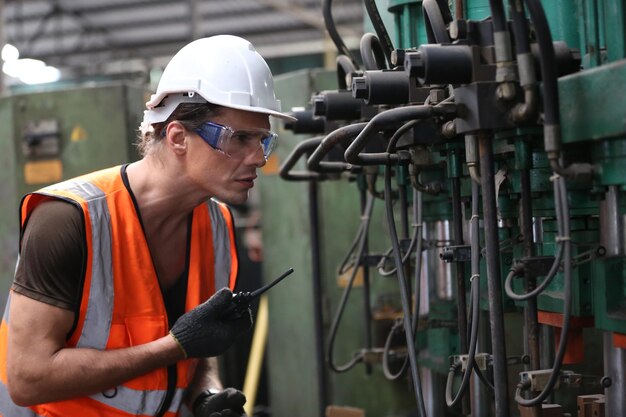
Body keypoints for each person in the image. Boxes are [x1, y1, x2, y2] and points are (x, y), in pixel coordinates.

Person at [0, 34, 296, 417]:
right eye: (239, 138)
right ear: (177, 137)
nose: (257, 157)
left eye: (263, 140)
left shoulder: (217, 224)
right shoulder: (68, 220)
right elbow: (27, 380)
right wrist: (175, 347)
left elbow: (198, 342)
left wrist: (205, 394)